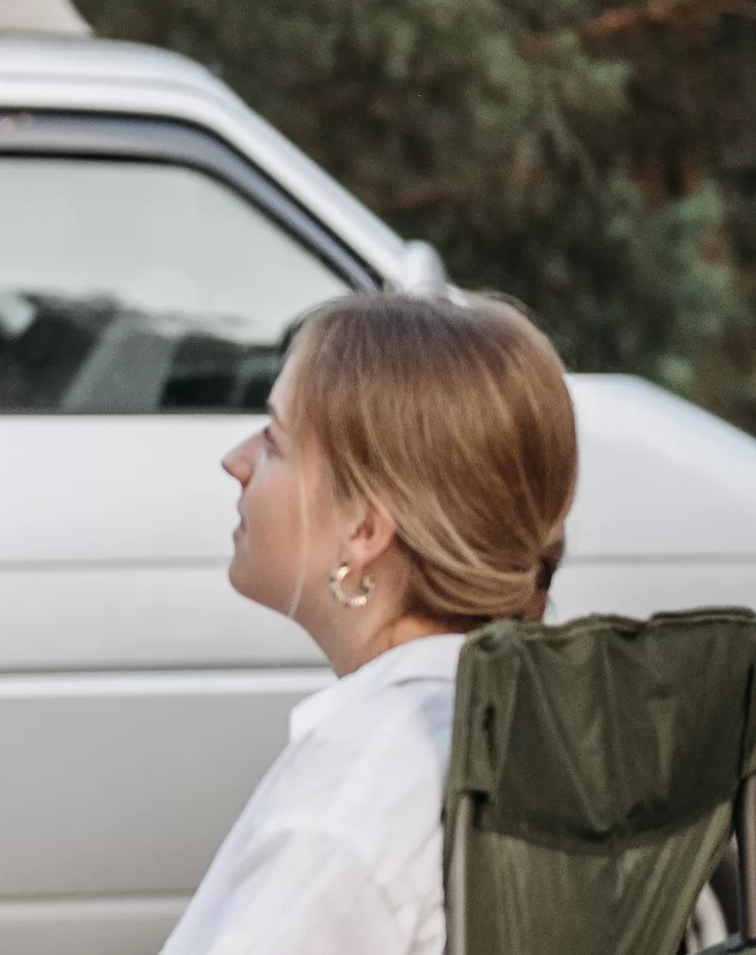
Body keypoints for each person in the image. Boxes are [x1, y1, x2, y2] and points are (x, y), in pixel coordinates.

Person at [159, 293, 579, 955]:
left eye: (273, 441)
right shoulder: (521, 726)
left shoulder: (347, 809)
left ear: (364, 529)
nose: (235, 460)